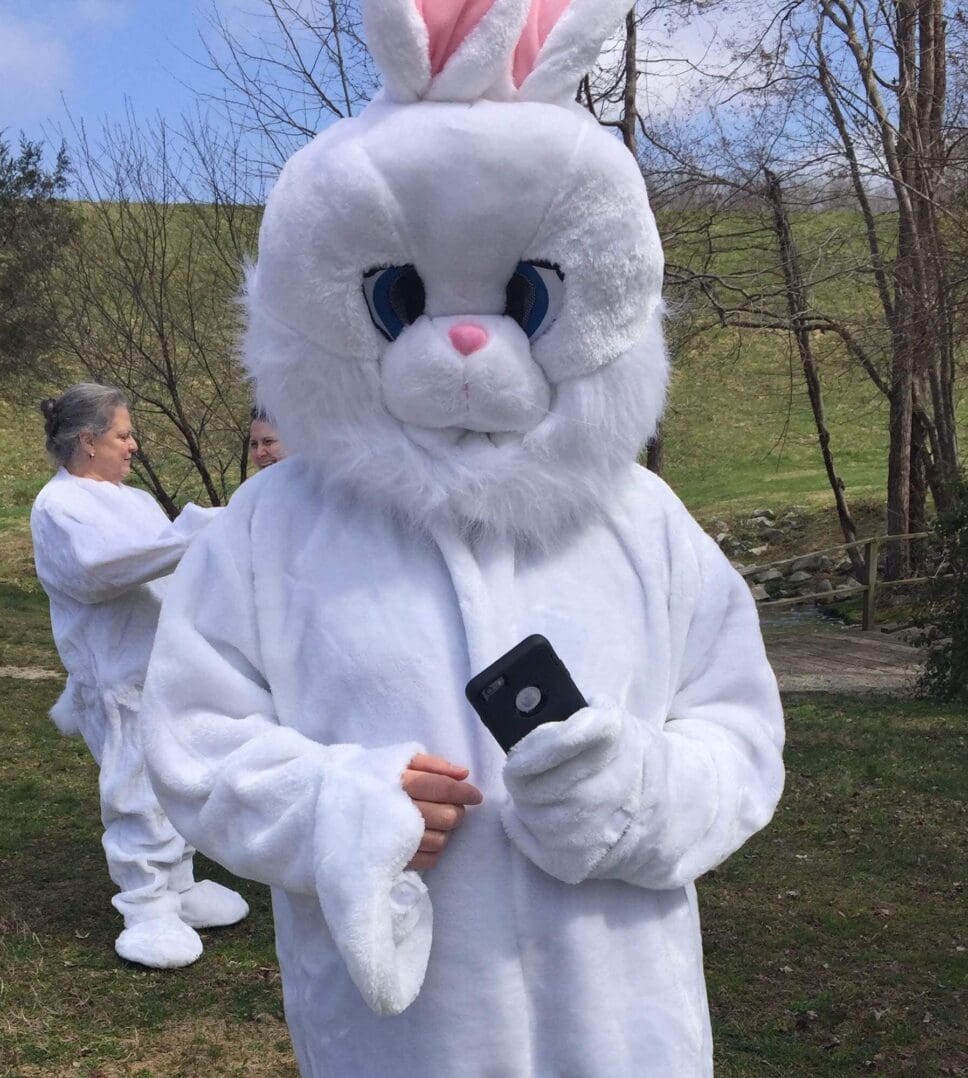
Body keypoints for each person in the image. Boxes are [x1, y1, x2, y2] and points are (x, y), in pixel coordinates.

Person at [140, 1, 784, 1073]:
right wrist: (343, 807)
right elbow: (195, 745)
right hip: (403, 1037)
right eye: (400, 296)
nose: (471, 338)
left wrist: (627, 795)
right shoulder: (267, 531)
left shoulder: (642, 522)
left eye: (527, 298)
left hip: (622, 1029)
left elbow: (738, 739)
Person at [30, 383, 249, 969]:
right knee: (134, 789)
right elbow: (98, 571)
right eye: (124, 434)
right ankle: (146, 904)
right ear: (89, 440)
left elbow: (166, 563)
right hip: (113, 671)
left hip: (161, 666)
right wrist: (192, 531)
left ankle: (178, 885)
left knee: (169, 778)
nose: (133, 445)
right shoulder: (60, 507)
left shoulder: (129, 498)